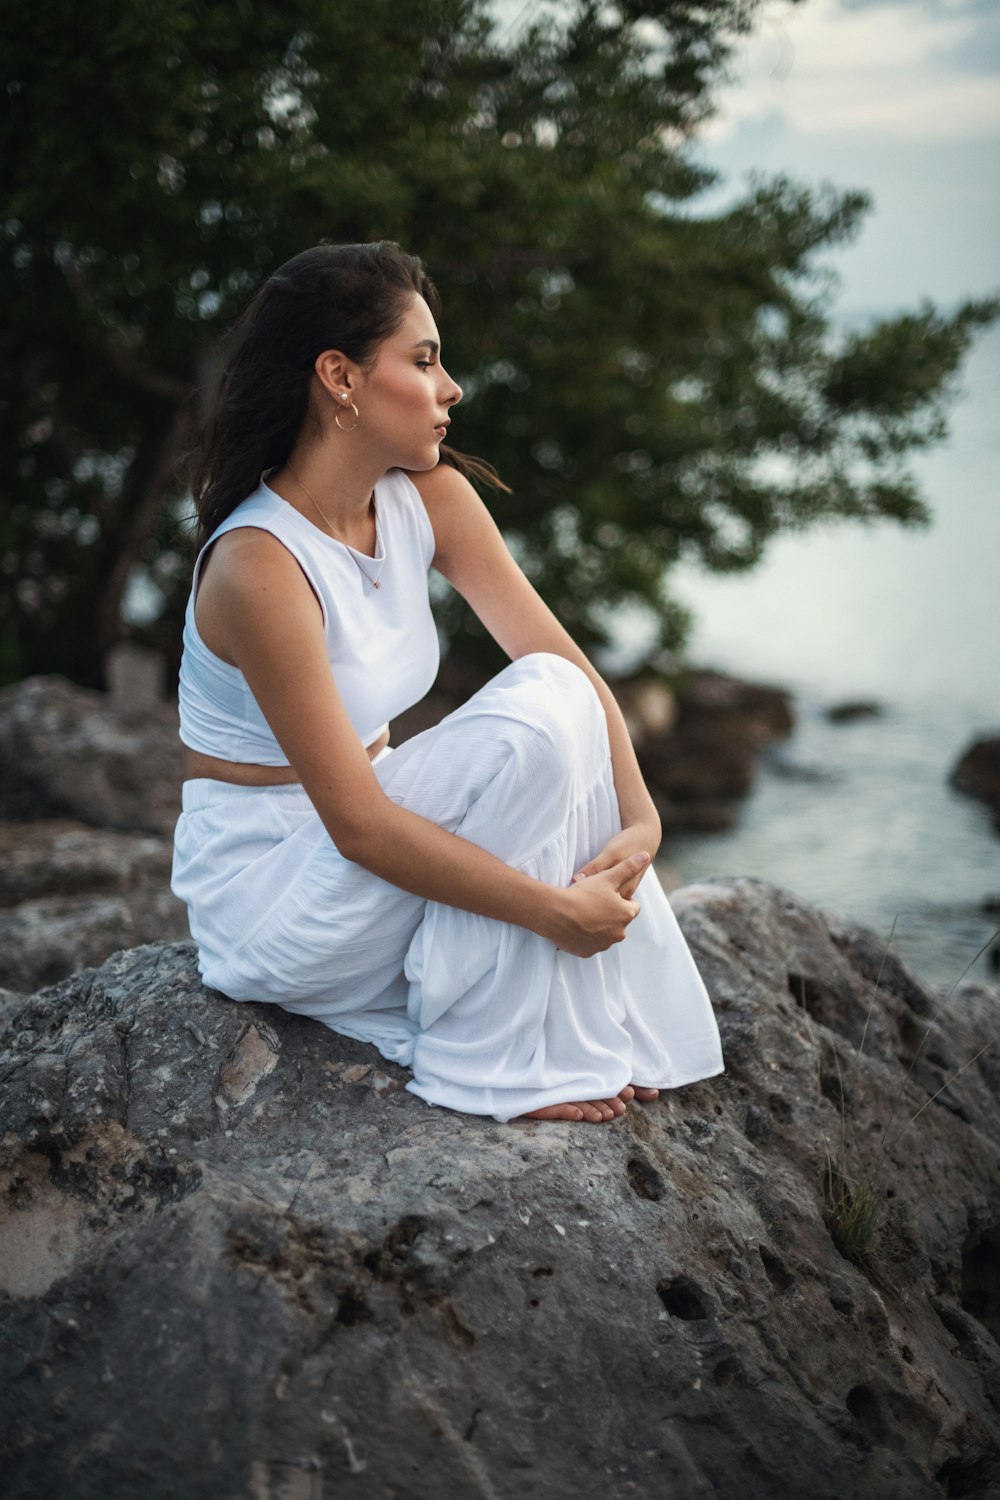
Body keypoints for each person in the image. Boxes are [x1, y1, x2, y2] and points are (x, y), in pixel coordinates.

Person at [171, 241, 724, 1125]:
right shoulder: (259, 566)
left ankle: (570, 1019)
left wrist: (643, 817)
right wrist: (553, 914)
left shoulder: (429, 498)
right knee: (533, 722)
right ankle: (494, 1057)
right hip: (275, 895)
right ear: (339, 377)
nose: (451, 385)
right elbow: (357, 827)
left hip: (369, 855)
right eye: (423, 361)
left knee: (555, 694)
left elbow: (568, 667)